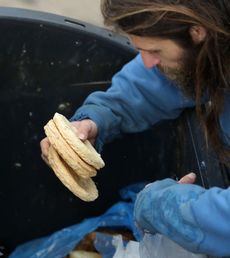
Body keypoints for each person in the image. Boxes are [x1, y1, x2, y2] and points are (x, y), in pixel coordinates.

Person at [40, 0, 230, 256]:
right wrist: (95, 120)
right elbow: (150, 83)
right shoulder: (206, 46)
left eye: (155, 51)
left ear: (197, 32)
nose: (148, 62)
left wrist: (163, 206)